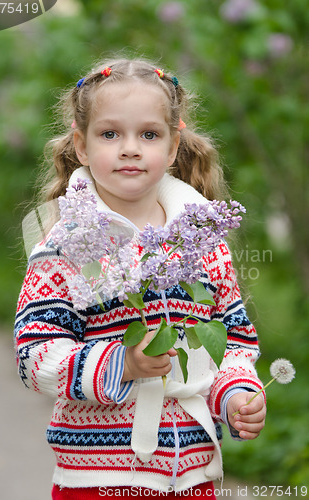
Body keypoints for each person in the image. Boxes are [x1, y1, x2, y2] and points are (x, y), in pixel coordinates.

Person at [15, 58, 266, 500]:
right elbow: (35, 354)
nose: (130, 148)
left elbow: (233, 343)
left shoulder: (203, 241)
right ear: (81, 145)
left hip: (192, 475)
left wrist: (235, 395)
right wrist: (120, 364)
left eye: (148, 135)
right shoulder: (66, 246)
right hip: (99, 479)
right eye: (110, 134)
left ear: (172, 148)